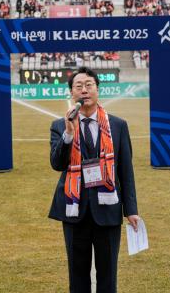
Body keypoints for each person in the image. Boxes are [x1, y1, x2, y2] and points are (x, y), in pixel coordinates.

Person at [49, 66, 139, 293]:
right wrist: (69, 134)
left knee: (108, 274)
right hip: (73, 210)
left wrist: (131, 209)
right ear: (71, 93)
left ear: (98, 90)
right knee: (77, 274)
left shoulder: (117, 125)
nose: (84, 90)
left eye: (89, 85)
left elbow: (126, 171)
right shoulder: (60, 126)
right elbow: (57, 164)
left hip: (107, 209)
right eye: (78, 86)